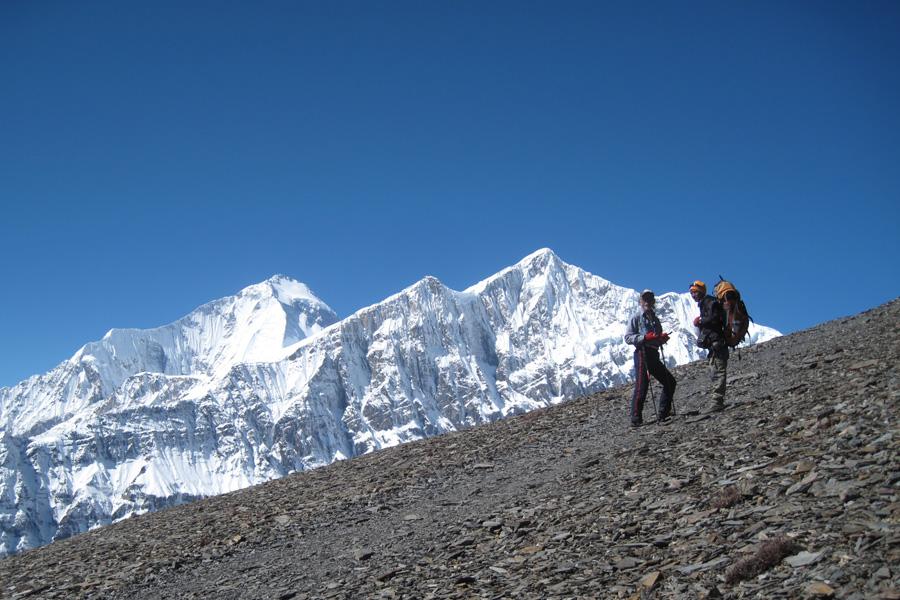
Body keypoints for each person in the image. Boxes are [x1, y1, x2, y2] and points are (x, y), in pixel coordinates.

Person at [624, 289, 676, 427]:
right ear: (640, 301)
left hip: (653, 353)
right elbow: (628, 337)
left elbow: (656, 337)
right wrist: (644, 338)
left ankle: (664, 413)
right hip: (642, 353)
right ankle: (635, 419)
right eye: (645, 299)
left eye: (649, 299)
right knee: (642, 387)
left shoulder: (655, 319)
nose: (647, 301)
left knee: (670, 382)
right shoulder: (636, 317)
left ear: (653, 301)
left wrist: (661, 339)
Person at [689, 280, 728, 412]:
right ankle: (716, 401)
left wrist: (701, 321)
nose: (693, 295)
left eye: (694, 292)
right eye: (691, 292)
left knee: (718, 372)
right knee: (715, 372)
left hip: (717, 342)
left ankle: (717, 402)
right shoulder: (705, 303)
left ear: (700, 291)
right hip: (714, 343)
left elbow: (715, 318)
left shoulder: (709, 302)